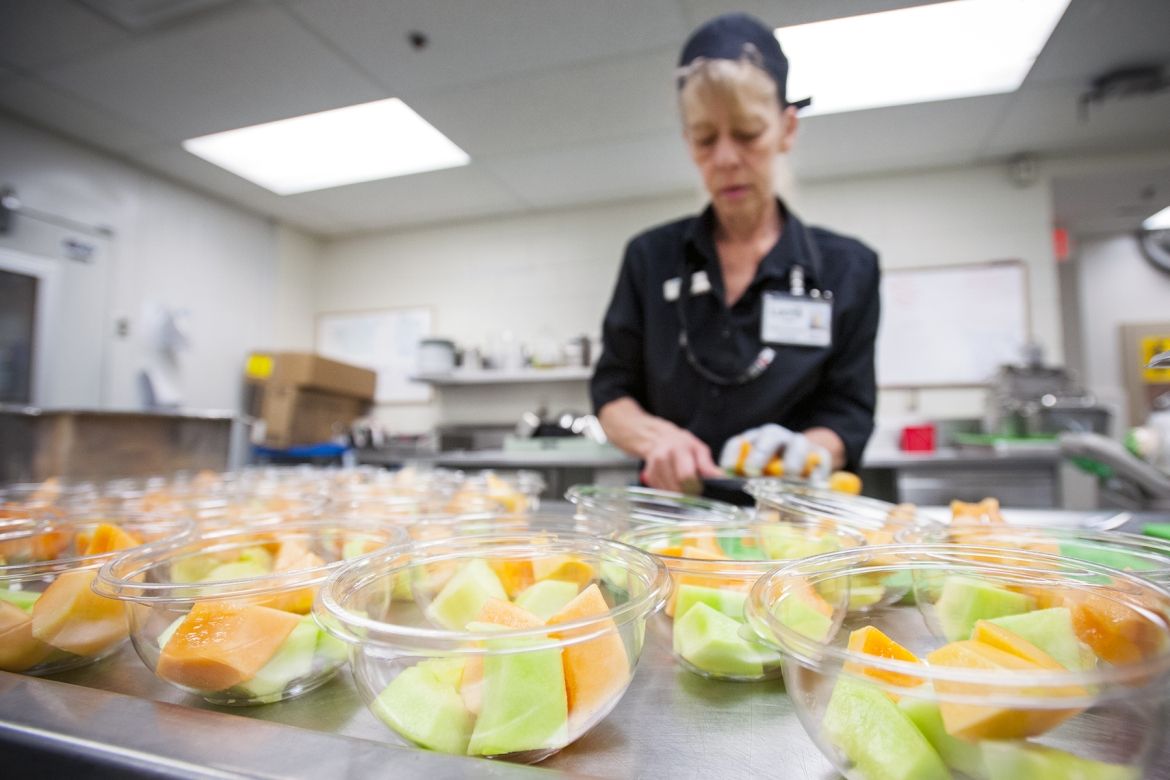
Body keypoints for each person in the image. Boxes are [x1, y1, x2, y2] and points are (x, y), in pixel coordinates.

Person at [591, 12, 880, 493]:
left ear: (787, 128)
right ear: (688, 144)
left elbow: (848, 410)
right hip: (672, 517)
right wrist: (656, 438)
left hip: (789, 519)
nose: (725, 158)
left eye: (747, 133)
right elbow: (611, 391)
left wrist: (807, 450)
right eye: (706, 139)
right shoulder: (650, 258)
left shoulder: (848, 268)